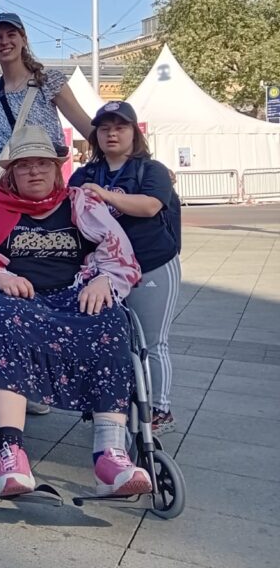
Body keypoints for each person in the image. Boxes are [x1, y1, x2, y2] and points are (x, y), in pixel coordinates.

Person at [0, 126, 149, 498]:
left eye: (43, 164)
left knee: (112, 319)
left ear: (58, 169)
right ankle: (10, 451)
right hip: (18, 301)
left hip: (74, 295)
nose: (35, 172)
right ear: (12, 173)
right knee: (1, 318)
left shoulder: (80, 204)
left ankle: (110, 453)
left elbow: (119, 252)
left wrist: (105, 280)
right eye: (24, 166)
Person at [70, 101, 182, 435]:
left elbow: (149, 207)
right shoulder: (84, 174)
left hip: (152, 264)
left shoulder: (152, 170)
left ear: (134, 132)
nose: (112, 134)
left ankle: (159, 409)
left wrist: (104, 195)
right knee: (107, 341)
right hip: (103, 273)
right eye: (104, 128)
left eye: (120, 127)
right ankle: (112, 403)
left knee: (151, 341)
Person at [0, 12, 92, 162]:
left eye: (11, 35)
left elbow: (85, 126)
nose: (4, 42)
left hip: (40, 176)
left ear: (23, 40)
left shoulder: (48, 82)